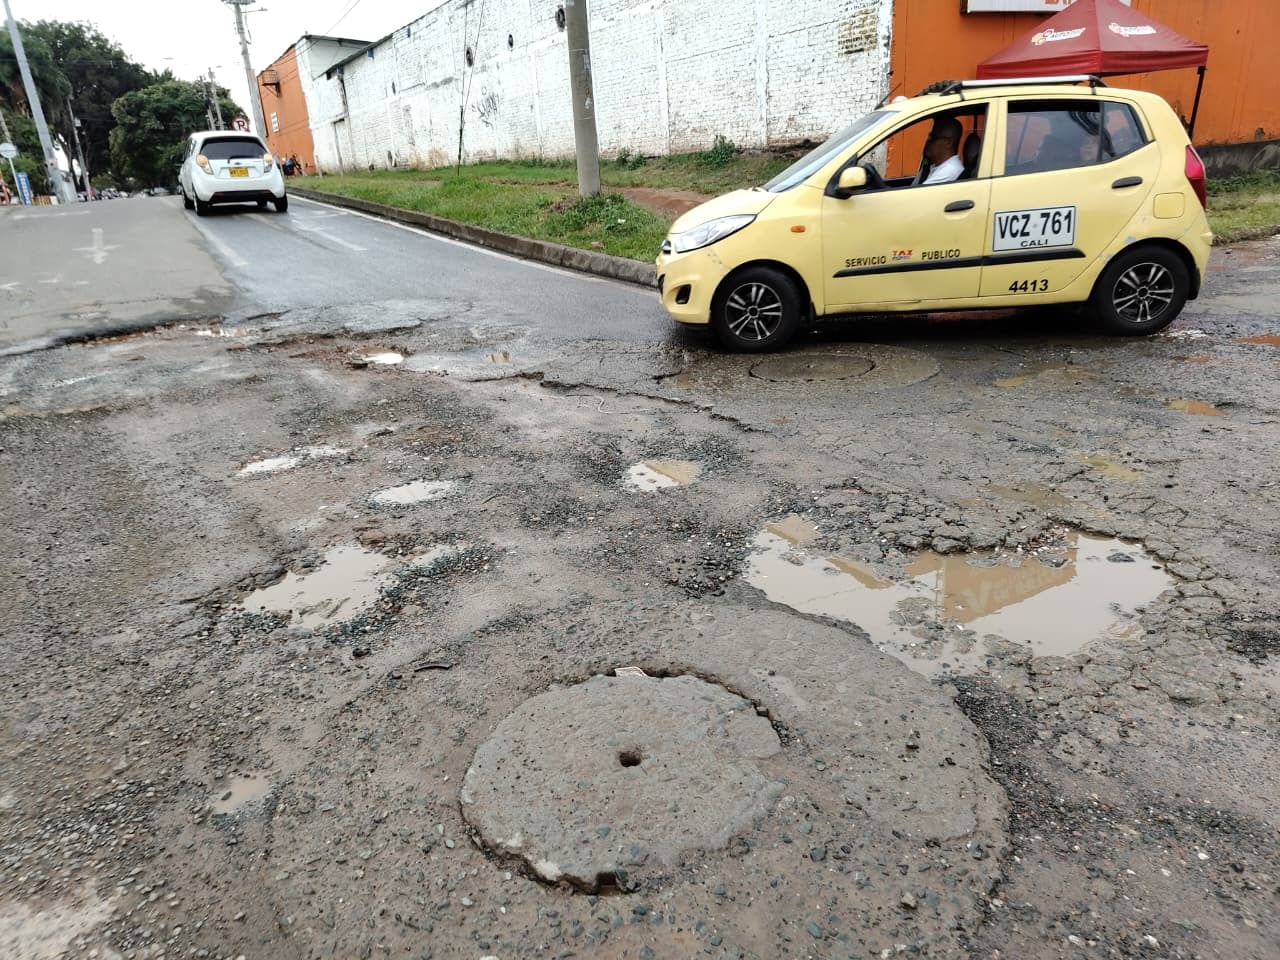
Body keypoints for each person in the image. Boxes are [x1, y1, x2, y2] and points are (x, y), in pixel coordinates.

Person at [916, 117, 964, 185]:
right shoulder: (936, 166)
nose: (928, 141)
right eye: (929, 136)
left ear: (948, 142)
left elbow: (917, 194)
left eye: (933, 137)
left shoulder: (950, 171)